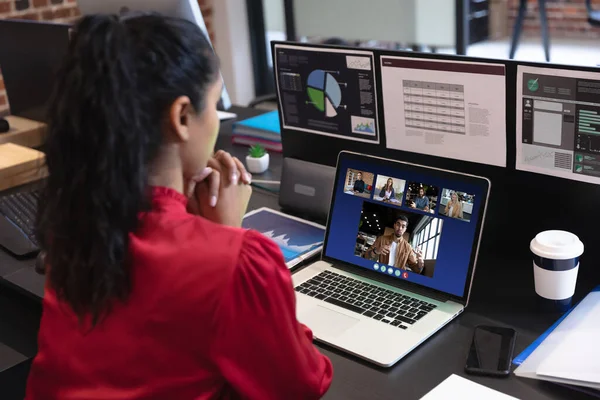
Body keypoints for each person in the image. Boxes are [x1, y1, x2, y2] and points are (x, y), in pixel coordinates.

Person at [25, 14, 332, 400]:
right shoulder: (234, 264)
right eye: (215, 103)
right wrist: (227, 236)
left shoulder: (72, 224)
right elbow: (302, 384)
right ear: (182, 116)